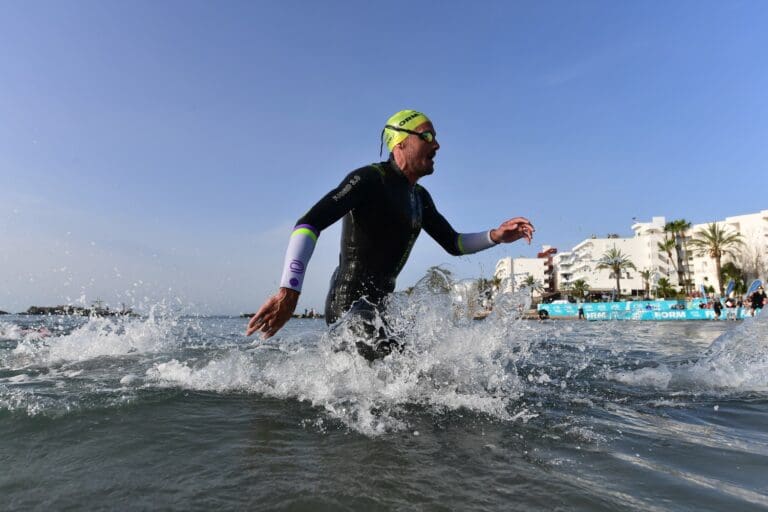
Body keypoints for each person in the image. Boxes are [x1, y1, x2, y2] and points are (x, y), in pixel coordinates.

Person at [246, 110, 535, 359]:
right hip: (349, 304)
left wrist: (496, 235)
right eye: (427, 136)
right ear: (399, 141)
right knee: (397, 370)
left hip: (379, 307)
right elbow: (308, 224)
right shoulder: (369, 179)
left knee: (408, 369)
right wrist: (289, 291)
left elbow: (454, 243)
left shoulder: (419, 197)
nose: (437, 145)